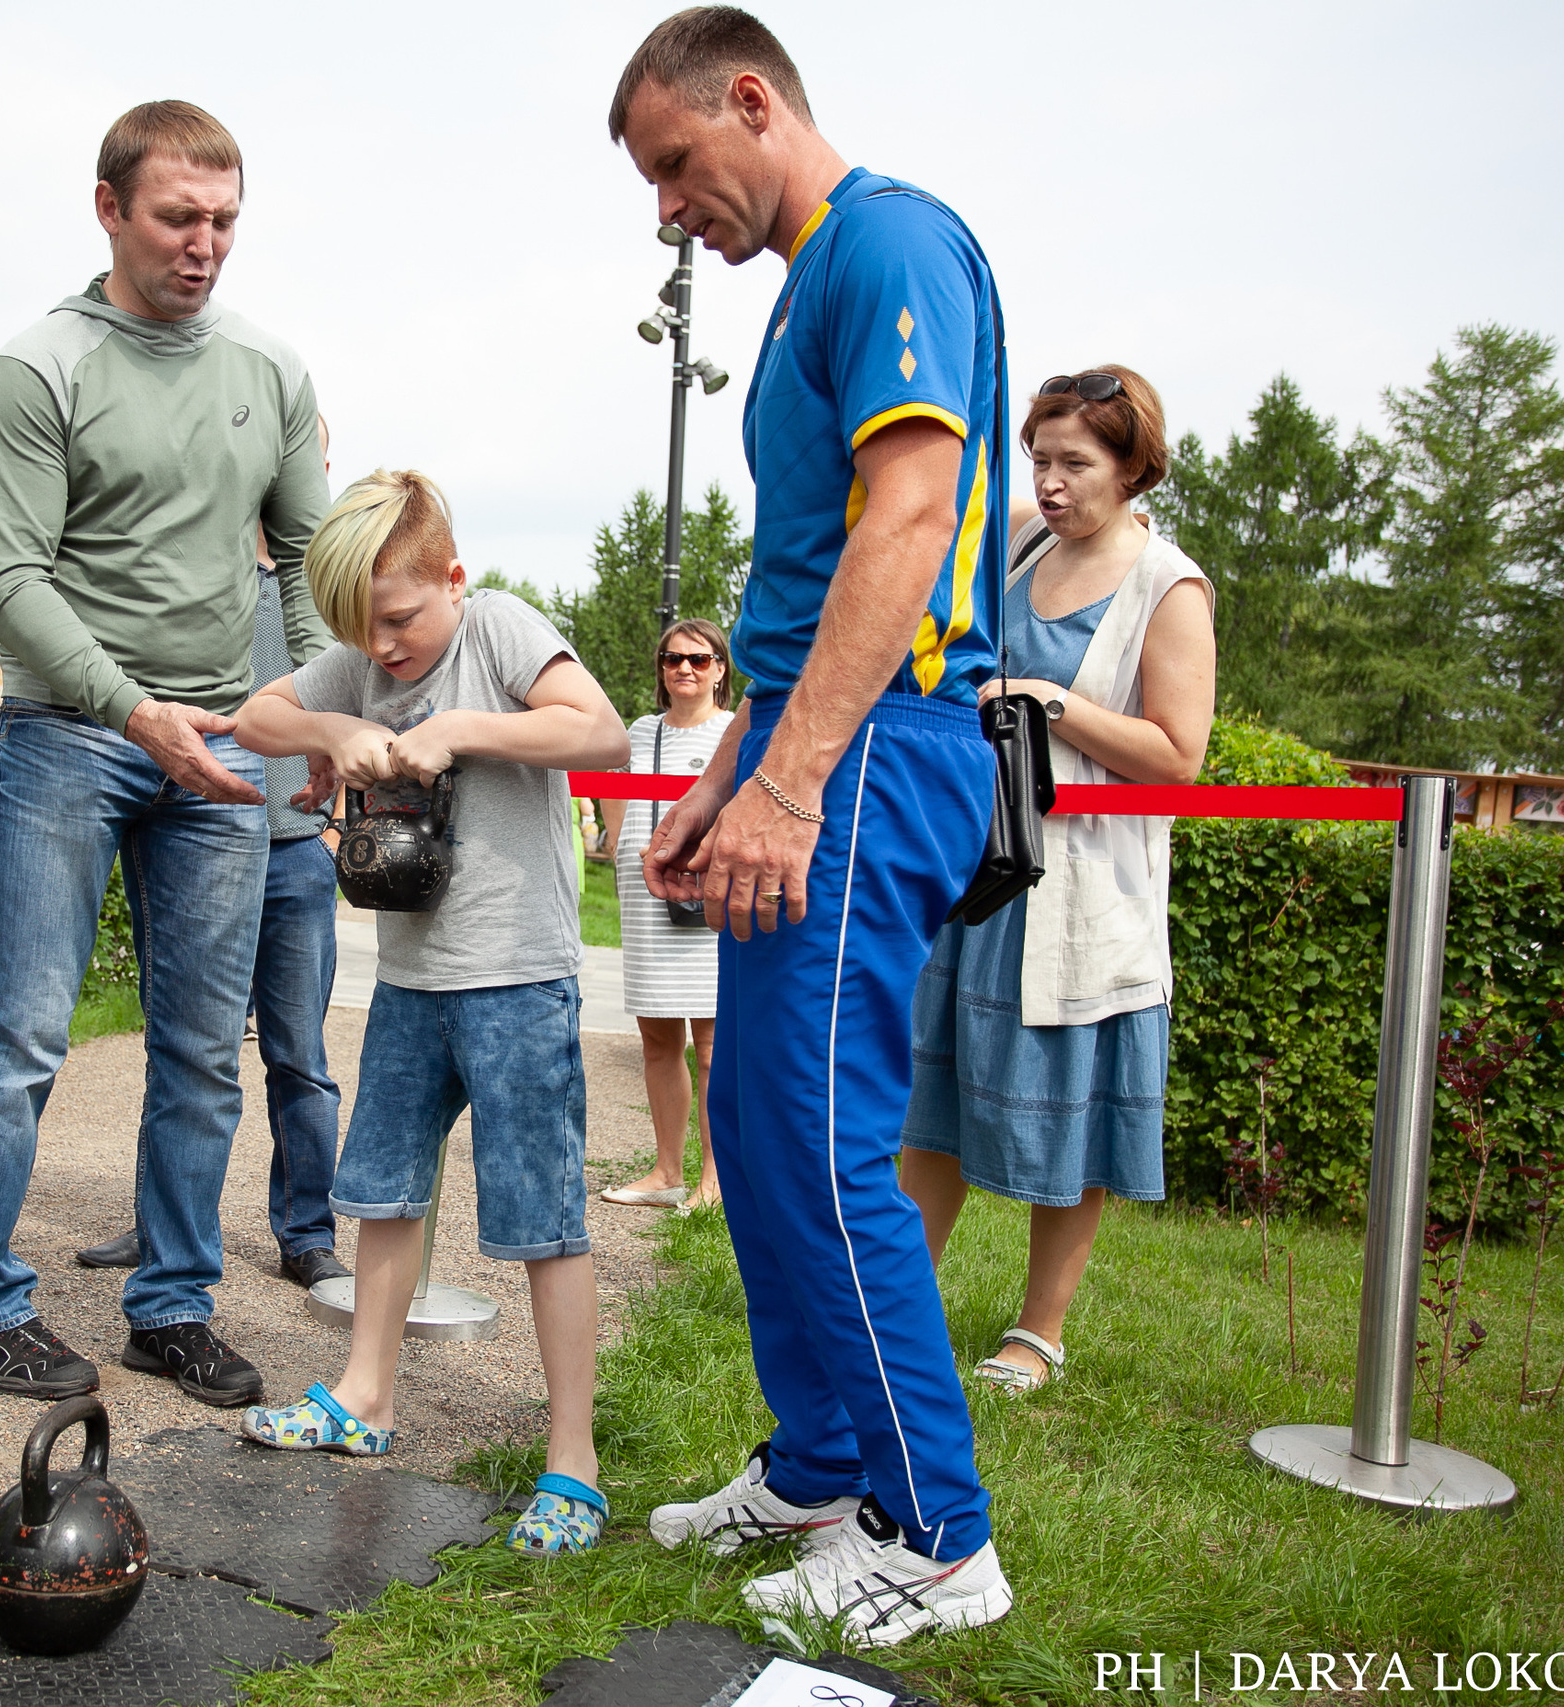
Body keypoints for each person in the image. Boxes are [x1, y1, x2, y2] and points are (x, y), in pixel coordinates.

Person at [612, 8, 1016, 1647]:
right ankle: (823, 1463)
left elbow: (913, 520)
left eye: (674, 165)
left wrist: (789, 780)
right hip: (806, 742)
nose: (665, 211)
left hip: (885, 744)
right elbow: (791, 592)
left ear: (753, 102)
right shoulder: (798, 305)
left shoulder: (894, 244)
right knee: (768, 1136)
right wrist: (723, 783)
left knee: (831, 1145)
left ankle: (939, 1539)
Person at [0, 100, 329, 1408]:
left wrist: (318, 711)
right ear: (109, 208)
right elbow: (7, 578)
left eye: (224, 220)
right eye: (177, 217)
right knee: (25, 1030)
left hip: (220, 750)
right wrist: (129, 704)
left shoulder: (270, 373)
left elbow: (313, 575)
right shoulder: (40, 367)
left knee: (206, 1048)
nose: (204, 244)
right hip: (68, 737)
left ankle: (171, 1303)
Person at [233, 470, 629, 1556]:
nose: (386, 646)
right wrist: (328, 726)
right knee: (384, 1194)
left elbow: (596, 733)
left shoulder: (497, 629)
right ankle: (365, 1397)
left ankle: (572, 1461)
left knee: (544, 1219)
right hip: (411, 981)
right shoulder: (359, 662)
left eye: (402, 618)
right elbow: (257, 714)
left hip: (514, 977)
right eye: (363, 629)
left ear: (453, 579)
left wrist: (460, 730)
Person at [898, 366, 1215, 1392]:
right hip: (973, 876)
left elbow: (1178, 755)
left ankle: (1038, 1332)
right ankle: (901, 1298)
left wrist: (1051, 702)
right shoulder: (1016, 551)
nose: (1050, 481)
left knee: (1071, 1112)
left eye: (1075, 462)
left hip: (1079, 899)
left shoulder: (1169, 585)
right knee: (928, 1095)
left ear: (1134, 470)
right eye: (1039, 459)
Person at [77, 503, 354, 1288]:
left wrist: (333, 830)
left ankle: (306, 1232)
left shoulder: (316, 591)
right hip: (190, 850)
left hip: (296, 852)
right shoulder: (189, 576)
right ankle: (161, 1226)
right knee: (183, 1046)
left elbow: (358, 709)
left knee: (298, 1053)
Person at [595, 618, 733, 1213]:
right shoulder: (641, 732)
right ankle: (666, 1169)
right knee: (657, 1038)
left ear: (720, 669)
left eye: (699, 660)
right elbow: (616, 801)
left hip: (706, 900)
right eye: (673, 659)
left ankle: (714, 1178)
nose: (684, 669)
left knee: (711, 1043)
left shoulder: (734, 733)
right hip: (647, 900)